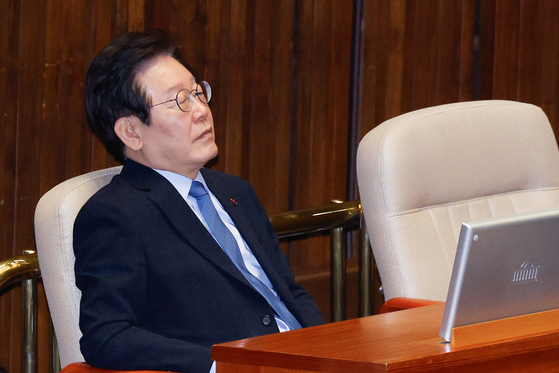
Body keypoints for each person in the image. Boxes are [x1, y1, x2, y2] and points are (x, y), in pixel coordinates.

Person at [73, 29, 324, 373]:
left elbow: (289, 293)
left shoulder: (237, 193)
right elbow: (107, 335)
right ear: (131, 132)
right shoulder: (116, 214)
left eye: (197, 92)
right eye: (180, 101)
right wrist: (219, 366)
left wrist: (330, 348)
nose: (202, 111)